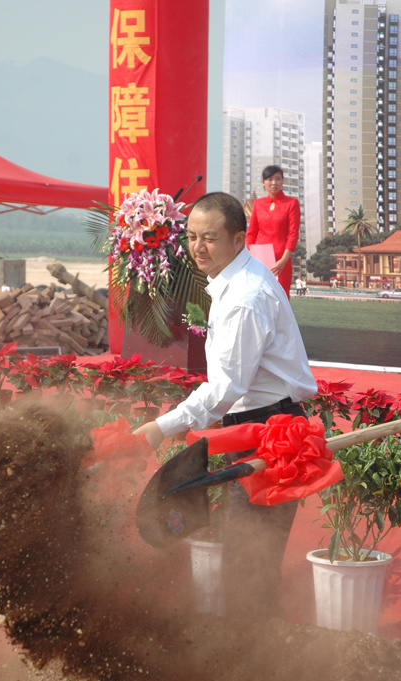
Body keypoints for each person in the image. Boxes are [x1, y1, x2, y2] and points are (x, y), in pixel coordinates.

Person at [136, 191, 317, 621]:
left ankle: (258, 663)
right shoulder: (233, 282)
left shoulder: (245, 297)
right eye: (193, 236)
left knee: (249, 561)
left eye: (210, 238)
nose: (199, 247)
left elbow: (225, 389)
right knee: (246, 555)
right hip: (252, 427)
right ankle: (256, 653)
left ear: (238, 240)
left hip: (270, 434)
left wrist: (161, 427)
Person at [245, 165, 300, 300]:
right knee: (258, 296)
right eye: (269, 179)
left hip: (281, 261)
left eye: (278, 179)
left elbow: (293, 234)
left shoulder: (292, 203)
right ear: (263, 182)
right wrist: (251, 255)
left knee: (279, 297)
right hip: (259, 260)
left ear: (283, 181)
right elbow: (251, 233)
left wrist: (283, 260)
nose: (274, 183)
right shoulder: (258, 204)